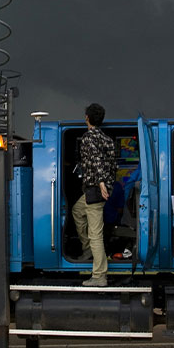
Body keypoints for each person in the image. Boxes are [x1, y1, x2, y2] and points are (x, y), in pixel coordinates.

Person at [72, 103, 117, 287]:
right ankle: (87, 249)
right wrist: (109, 184)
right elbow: (113, 165)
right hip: (98, 189)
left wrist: (101, 183)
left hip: (95, 189)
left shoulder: (88, 138)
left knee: (95, 234)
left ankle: (99, 276)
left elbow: (96, 161)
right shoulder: (107, 139)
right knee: (77, 211)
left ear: (87, 118)